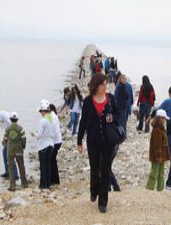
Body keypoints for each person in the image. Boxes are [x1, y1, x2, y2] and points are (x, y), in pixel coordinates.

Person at [77, 73, 119, 213]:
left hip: (108, 142)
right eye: (103, 85)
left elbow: (118, 116)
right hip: (93, 142)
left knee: (105, 171)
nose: (105, 87)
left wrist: (112, 118)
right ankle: (93, 190)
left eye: (106, 84)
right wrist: (79, 141)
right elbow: (83, 122)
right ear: (96, 85)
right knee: (94, 170)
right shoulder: (88, 101)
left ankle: (103, 202)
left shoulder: (111, 99)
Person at [31, 100, 54, 189]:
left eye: (41, 111)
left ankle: (43, 185)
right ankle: (48, 183)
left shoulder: (43, 121)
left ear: (44, 111)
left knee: (43, 166)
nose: (40, 113)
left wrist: (34, 134)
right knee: (48, 165)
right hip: (51, 144)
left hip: (44, 145)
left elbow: (39, 134)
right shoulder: (51, 118)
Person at [146, 109, 171, 191]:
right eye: (164, 119)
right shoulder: (157, 130)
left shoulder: (161, 129)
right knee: (154, 173)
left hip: (161, 156)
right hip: (158, 156)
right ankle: (149, 189)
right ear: (160, 118)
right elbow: (156, 145)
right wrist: (158, 156)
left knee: (161, 174)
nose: (165, 121)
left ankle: (160, 189)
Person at [3, 112, 28, 191]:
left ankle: (12, 185)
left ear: (10, 119)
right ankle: (24, 184)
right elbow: (24, 139)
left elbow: (5, 139)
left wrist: (5, 144)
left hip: (10, 150)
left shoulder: (7, 129)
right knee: (21, 166)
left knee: (10, 168)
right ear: (17, 119)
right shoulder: (21, 129)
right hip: (19, 149)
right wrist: (23, 147)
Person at [49, 104, 62, 185]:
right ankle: (55, 179)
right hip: (57, 141)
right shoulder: (53, 115)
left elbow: (53, 130)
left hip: (55, 142)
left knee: (52, 160)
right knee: (53, 160)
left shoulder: (52, 116)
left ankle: (54, 180)